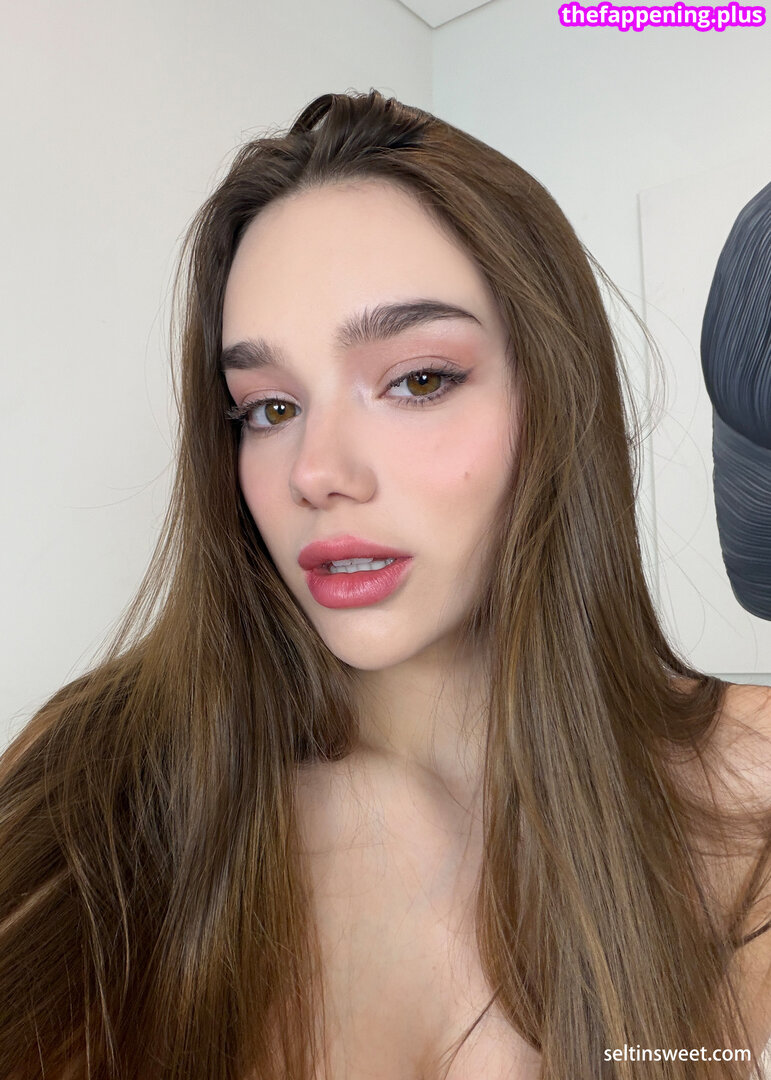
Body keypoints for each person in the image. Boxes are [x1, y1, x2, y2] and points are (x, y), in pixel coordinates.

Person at [1, 89, 770, 1080]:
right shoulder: (101, 787)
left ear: (553, 397)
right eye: (268, 407)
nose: (316, 471)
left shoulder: (754, 779)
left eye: (417, 380)